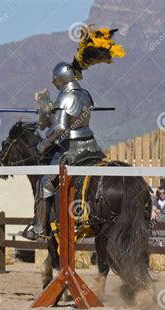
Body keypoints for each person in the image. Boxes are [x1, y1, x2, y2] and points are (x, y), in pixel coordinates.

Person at [23, 62, 103, 240]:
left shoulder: (65, 97)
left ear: (60, 79)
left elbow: (60, 127)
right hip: (91, 143)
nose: (54, 83)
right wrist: (50, 109)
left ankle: (39, 228)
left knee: (44, 183)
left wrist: (43, 144)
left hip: (71, 147)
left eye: (55, 80)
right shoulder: (85, 94)